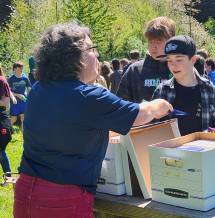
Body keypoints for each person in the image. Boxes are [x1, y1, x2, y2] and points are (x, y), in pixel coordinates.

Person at [13, 22, 173, 218]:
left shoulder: (40, 89)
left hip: (25, 192)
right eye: (91, 49)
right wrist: (157, 105)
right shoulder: (89, 97)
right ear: (74, 56)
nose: (97, 55)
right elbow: (139, 114)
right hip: (63, 200)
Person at [152, 35, 215, 136]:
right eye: (169, 60)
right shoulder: (162, 90)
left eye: (179, 59)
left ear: (193, 60)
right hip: (171, 151)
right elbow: (152, 128)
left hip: (203, 149)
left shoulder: (209, 89)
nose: (173, 65)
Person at [117, 16, 176, 103]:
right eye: (150, 41)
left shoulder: (179, 67)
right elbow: (121, 104)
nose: (153, 47)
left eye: (158, 42)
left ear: (171, 41)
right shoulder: (135, 70)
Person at [8, 62, 31, 130]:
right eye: (19, 68)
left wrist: (29, 95)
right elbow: (8, 91)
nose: (21, 70)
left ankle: (24, 137)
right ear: (14, 69)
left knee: (23, 118)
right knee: (14, 118)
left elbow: (29, 88)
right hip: (14, 102)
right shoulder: (11, 79)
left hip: (23, 101)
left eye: (22, 68)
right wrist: (17, 95)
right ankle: (4, 131)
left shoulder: (25, 78)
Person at [0, 64, 14, 176]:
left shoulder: (1, 81)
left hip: (2, 123)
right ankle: (8, 176)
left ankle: (8, 176)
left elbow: (5, 103)